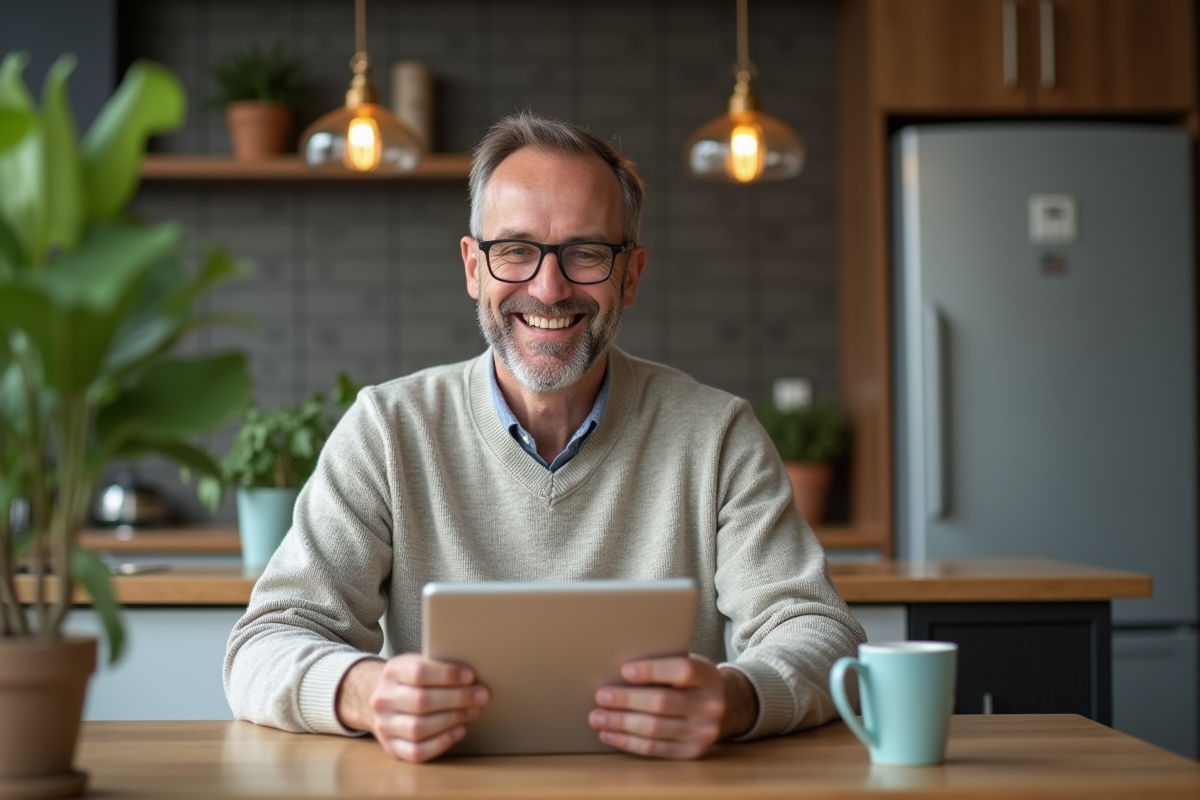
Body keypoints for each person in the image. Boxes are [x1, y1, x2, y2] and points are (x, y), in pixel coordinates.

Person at [224, 111, 866, 763]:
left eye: (586, 253)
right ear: (473, 267)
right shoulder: (387, 430)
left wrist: (736, 699)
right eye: (515, 250)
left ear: (630, 276)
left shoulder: (717, 434)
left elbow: (821, 634)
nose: (549, 288)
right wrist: (365, 692)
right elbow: (263, 645)